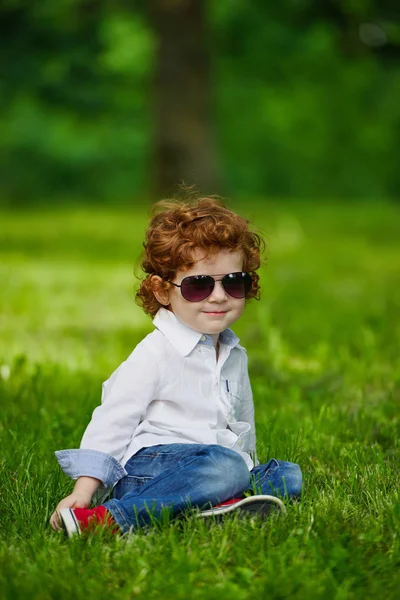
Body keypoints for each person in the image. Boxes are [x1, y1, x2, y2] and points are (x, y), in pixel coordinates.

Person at [50, 196, 302, 537]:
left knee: (287, 475)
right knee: (226, 468)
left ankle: (209, 503)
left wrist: (248, 466)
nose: (218, 296)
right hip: (153, 469)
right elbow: (112, 421)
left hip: (214, 465)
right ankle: (112, 518)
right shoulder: (155, 353)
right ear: (162, 291)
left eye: (233, 282)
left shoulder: (233, 353)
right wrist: (84, 491)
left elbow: (241, 422)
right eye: (198, 285)